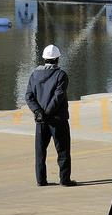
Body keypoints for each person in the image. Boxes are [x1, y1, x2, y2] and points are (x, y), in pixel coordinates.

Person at [25, 44, 76, 187]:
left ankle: (41, 180)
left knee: (40, 151)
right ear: (57, 59)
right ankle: (64, 180)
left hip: (41, 121)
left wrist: (38, 112)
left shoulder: (34, 75)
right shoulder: (61, 75)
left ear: (44, 59)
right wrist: (47, 113)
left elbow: (29, 96)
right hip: (58, 120)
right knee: (63, 150)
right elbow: (58, 97)